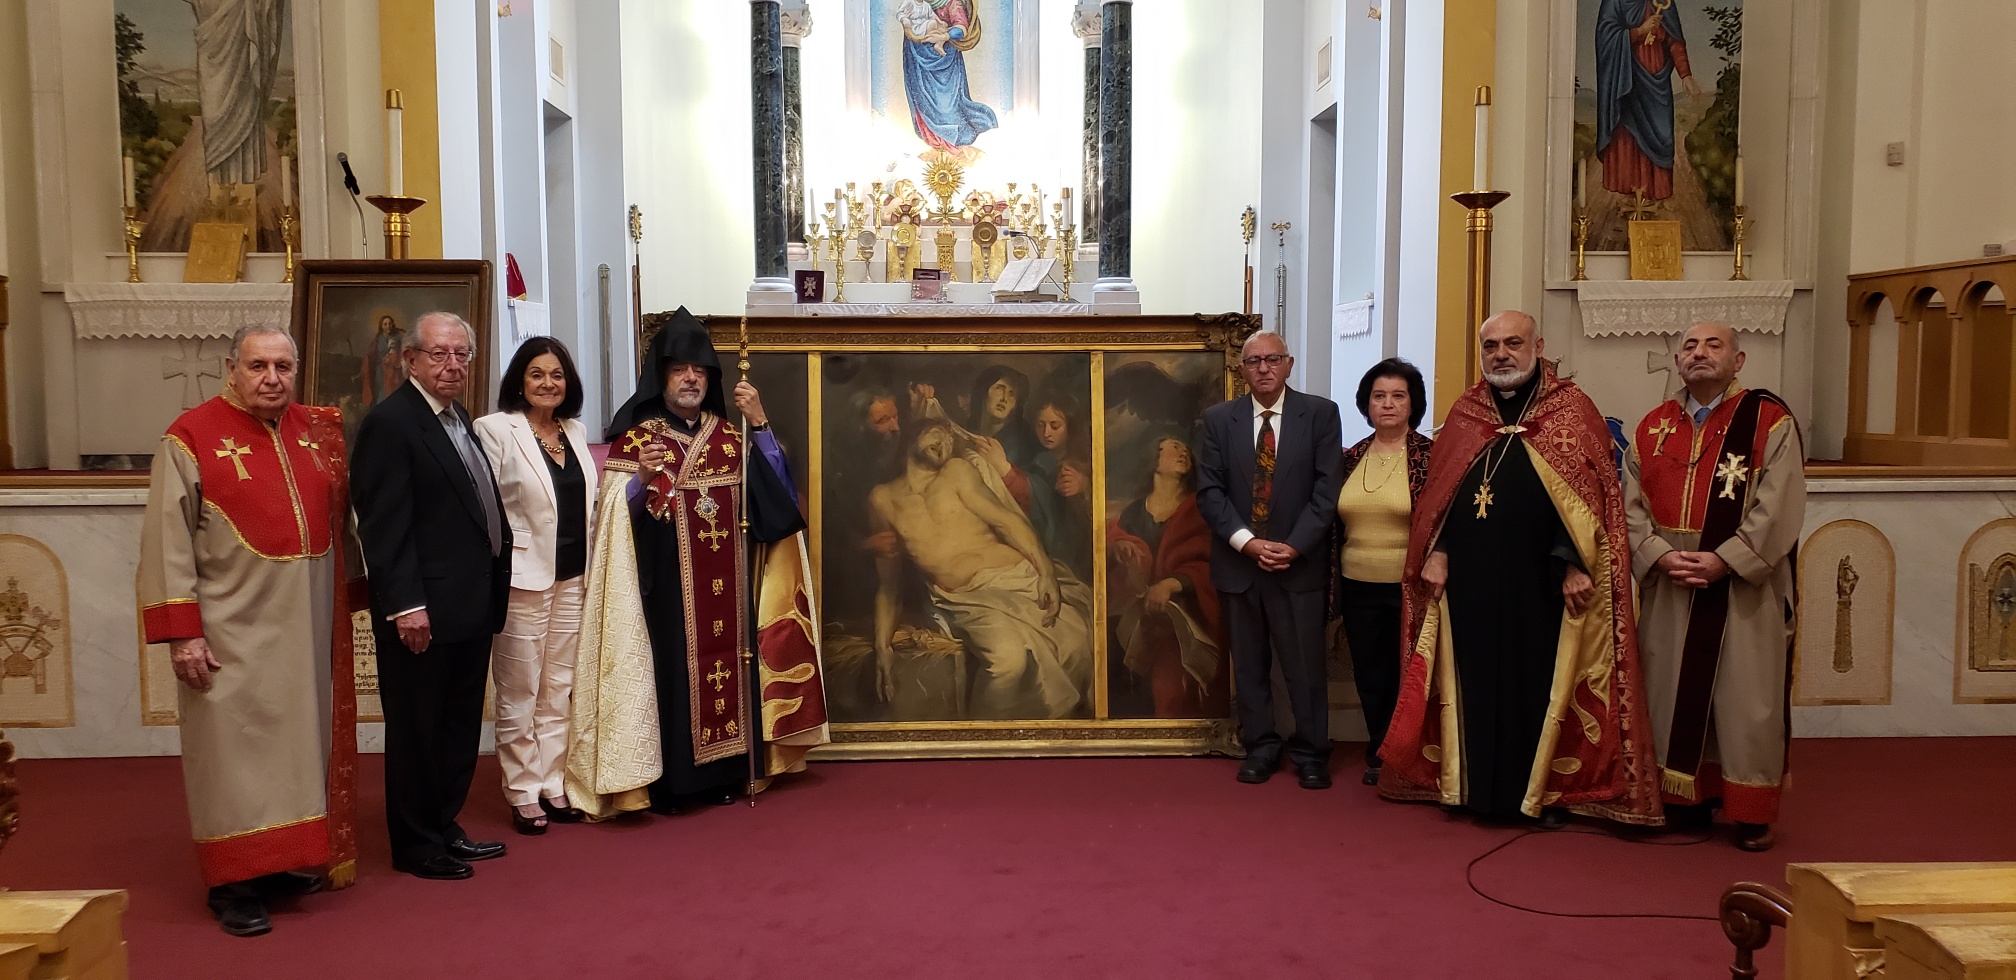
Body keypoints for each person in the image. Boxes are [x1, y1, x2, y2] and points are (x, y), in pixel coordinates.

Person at [1379, 311, 1661, 827]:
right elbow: (1441, 499)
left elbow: (1592, 501)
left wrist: (1575, 563)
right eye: (1490, 345)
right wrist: (1437, 552)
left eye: (1512, 343)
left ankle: (1536, 795)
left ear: (1539, 346)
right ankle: (1470, 789)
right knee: (1474, 683)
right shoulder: (1466, 413)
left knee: (1535, 687)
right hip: (1472, 581)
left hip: (1543, 582)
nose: (1501, 354)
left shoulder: (1572, 412)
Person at [139, 323, 358, 936]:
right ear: (231, 367)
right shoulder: (190, 437)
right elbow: (166, 542)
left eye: (283, 366)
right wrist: (183, 632)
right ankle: (232, 884)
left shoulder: (312, 434)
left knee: (295, 749)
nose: (272, 378)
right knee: (231, 758)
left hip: (305, 627)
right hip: (229, 632)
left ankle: (284, 863)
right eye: (258, 365)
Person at [569, 309, 828, 819]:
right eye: (680, 369)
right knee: (671, 674)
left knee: (729, 667)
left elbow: (774, 502)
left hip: (727, 591)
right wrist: (641, 482)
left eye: (700, 371)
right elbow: (617, 525)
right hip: (662, 588)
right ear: (661, 375)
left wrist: (760, 424)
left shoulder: (731, 440)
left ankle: (723, 774)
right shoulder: (637, 439)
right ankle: (669, 784)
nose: (690, 378)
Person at [1625, 322, 1804, 851]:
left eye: (1713, 345)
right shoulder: (1652, 426)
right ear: (1677, 360)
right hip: (1671, 581)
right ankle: (1686, 800)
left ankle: (1750, 811)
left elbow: (1780, 502)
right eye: (1689, 346)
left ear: (1739, 358)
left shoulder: (1769, 421)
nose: (1699, 354)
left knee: (1745, 699)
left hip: (1743, 585)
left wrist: (1725, 560)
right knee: (1670, 690)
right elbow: (1627, 502)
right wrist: (1658, 555)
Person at [351, 311, 513, 880]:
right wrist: (405, 605)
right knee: (419, 729)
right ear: (409, 360)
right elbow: (384, 525)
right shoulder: (391, 424)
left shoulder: (453, 416)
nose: (452, 365)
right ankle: (416, 844)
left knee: (456, 726)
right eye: (439, 354)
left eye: (461, 355)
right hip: (422, 611)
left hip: (468, 604)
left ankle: (444, 825)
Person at [1196, 332, 1344, 789]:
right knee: (1250, 665)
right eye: (1254, 361)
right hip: (1240, 565)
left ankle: (1311, 752)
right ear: (1241, 369)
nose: (1263, 368)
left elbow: (1327, 489)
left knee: (1304, 665)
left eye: (1272, 359)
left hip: (1299, 565)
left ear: (1289, 363)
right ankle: (1260, 746)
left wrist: (1295, 545)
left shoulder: (1320, 414)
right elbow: (1210, 491)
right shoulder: (1218, 420)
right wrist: (1247, 543)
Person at [869, 420, 1095, 719]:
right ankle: (985, 742)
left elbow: (1008, 522)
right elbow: (889, 586)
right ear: (914, 435)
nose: (945, 441)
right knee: (1008, 660)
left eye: (950, 438)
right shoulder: (883, 500)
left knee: (1076, 643)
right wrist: (882, 645)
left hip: (1020, 579)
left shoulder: (956, 473)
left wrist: (1047, 573)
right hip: (967, 600)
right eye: (937, 432)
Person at [473, 338, 598, 835]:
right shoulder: (496, 429)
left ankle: (552, 783)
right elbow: (486, 506)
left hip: (572, 572)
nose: (548, 384)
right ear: (519, 382)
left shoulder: (575, 430)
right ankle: (522, 790)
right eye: (537, 375)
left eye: (557, 375)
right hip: (522, 576)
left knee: (558, 686)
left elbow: (587, 503)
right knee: (520, 689)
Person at [1333, 358, 1435, 787]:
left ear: (1413, 404)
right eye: (1379, 396)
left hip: (1411, 586)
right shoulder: (1349, 458)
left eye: (1398, 396)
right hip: (1357, 584)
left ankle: (1410, 753)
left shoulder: (1431, 457)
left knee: (1408, 674)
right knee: (1371, 674)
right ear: (1366, 404)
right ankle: (1379, 750)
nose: (1388, 404)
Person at [1108, 435, 1229, 719]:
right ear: (1154, 458)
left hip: (1186, 614)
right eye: (1174, 447)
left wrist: (1171, 584)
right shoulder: (1134, 512)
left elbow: (1210, 561)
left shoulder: (1199, 509)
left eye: (1186, 449)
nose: (1183, 452)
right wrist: (1118, 548)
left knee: (1172, 684)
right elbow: (1115, 549)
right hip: (1136, 616)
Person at [1594, 0, 1699, 202]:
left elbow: (1674, 40)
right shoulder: (1614, 1)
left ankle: (1654, 197)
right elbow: (1605, 36)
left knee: (1661, 135)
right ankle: (1627, 196)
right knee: (1626, 134)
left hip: (1656, 81)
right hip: (1626, 80)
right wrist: (1639, 31)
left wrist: (1685, 74)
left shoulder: (1662, 1)